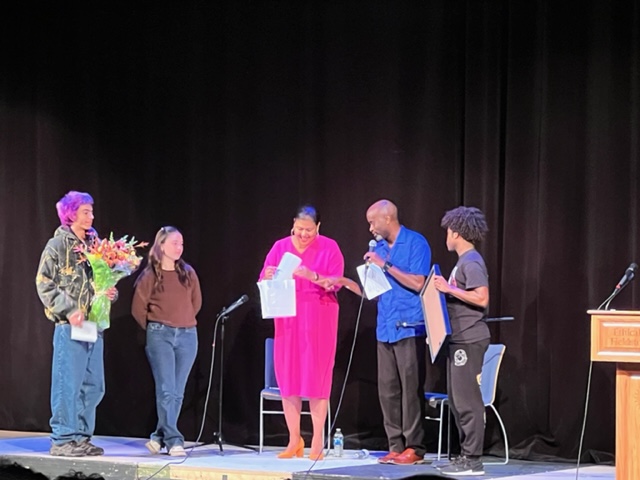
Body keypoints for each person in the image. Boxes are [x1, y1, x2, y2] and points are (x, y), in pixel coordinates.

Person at [259, 205, 344, 460]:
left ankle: (317, 440)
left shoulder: (330, 247)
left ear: (318, 227)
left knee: (317, 380)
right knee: (289, 379)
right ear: (293, 224)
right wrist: (268, 275)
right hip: (288, 319)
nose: (303, 235)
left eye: (309, 230)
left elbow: (336, 282)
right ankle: (294, 439)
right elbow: (264, 277)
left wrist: (313, 275)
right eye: (299, 229)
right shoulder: (280, 246)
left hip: (319, 319)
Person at [35, 191, 117, 457]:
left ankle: (81, 437)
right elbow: (44, 284)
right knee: (67, 383)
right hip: (70, 324)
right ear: (70, 214)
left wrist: (108, 292)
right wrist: (69, 309)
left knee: (93, 385)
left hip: (93, 323)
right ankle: (62, 439)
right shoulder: (57, 246)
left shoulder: (95, 246)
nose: (91, 216)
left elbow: (100, 280)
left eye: (92, 211)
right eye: (85, 211)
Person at [362, 199, 431, 465]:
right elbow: (374, 290)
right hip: (385, 327)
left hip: (409, 326)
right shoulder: (378, 248)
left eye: (372, 222)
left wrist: (385, 265)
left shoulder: (416, 243)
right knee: (387, 390)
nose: (370, 228)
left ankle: (414, 446)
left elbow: (418, 283)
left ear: (387, 218)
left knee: (410, 388)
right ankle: (395, 444)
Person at [131, 226, 202, 457]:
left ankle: (159, 436)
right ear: (161, 245)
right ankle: (173, 439)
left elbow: (196, 303)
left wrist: (183, 322)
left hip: (187, 335)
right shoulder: (150, 274)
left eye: (181, 243)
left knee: (177, 392)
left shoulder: (188, 272)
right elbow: (138, 309)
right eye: (174, 243)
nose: (179, 247)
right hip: (160, 334)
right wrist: (156, 328)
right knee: (166, 390)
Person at [432, 206, 490, 476]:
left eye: (447, 230)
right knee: (457, 400)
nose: (446, 235)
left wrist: (448, 288)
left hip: (469, 339)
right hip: (458, 339)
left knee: (467, 401)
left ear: (456, 232)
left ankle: (473, 460)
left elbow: (482, 298)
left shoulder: (472, 261)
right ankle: (465, 455)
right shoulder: (463, 261)